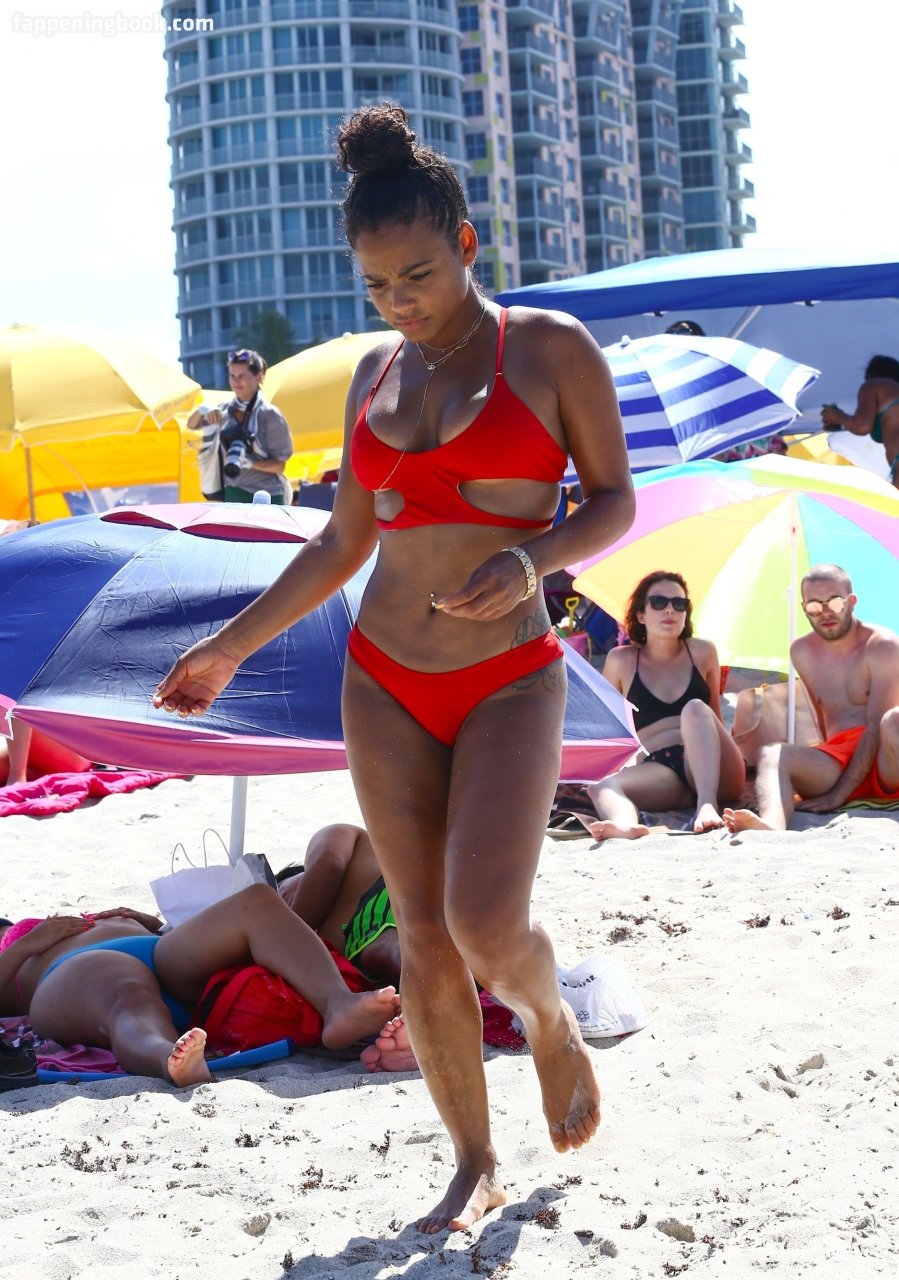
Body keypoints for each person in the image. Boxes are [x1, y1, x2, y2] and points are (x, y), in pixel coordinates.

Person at [153, 103, 634, 1233]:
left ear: (465, 243)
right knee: (418, 929)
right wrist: (228, 646)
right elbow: (339, 544)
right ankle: (473, 1161)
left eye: (416, 274)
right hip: (381, 677)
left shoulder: (549, 348)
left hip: (509, 673)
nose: (398, 301)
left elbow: (614, 500)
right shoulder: (376, 373)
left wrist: (531, 558)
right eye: (375, 284)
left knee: (485, 923)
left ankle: (548, 1018)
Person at [0, 887, 400, 1086]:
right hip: (73, 974)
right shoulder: (17, 947)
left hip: (157, 950)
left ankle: (338, 1005)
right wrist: (26, 945)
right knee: (126, 992)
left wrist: (143, 921)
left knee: (256, 901)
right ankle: (167, 1058)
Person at [724, 565, 899, 832]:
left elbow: (877, 726)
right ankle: (771, 825)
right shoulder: (802, 651)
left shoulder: (882, 645)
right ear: (804, 608)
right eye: (815, 606)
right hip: (836, 762)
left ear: (852, 601)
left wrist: (838, 795)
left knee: (894, 720)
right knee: (773, 753)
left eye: (835, 602)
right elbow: (823, 720)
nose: (825, 612)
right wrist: (812, 771)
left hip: (885, 762)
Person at [583, 571, 746, 840]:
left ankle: (707, 805)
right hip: (663, 769)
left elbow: (715, 716)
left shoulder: (703, 652)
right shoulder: (622, 660)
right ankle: (625, 825)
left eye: (679, 604)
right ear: (641, 615)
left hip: (715, 767)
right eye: (658, 602)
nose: (670, 609)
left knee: (695, 708)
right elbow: (604, 727)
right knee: (601, 787)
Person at [188, 348, 294, 504]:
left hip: (266, 494)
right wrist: (202, 409)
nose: (236, 382)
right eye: (232, 376)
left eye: (241, 376)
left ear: (258, 376)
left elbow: (280, 466)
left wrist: (249, 463)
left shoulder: (269, 415)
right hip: (232, 493)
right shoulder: (224, 410)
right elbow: (191, 425)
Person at [821, 355, 899, 486]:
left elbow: (862, 426)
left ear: (869, 376)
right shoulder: (893, 394)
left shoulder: (873, 385)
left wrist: (838, 416)